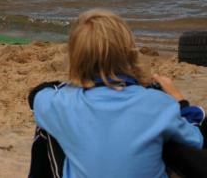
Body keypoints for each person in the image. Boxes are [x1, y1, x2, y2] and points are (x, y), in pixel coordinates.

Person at [27, 9, 204, 178]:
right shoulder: (158, 102)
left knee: (46, 124)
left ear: (75, 58)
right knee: (166, 135)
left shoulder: (63, 103)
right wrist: (180, 101)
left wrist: (74, 84)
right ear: (130, 53)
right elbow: (196, 139)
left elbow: (35, 96)